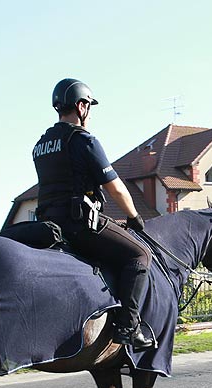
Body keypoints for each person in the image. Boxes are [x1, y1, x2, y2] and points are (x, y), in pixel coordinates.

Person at [33, 78, 154, 349]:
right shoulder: (83, 140)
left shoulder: (40, 145)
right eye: (88, 105)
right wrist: (134, 217)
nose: (89, 111)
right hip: (79, 224)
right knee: (139, 255)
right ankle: (128, 328)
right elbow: (116, 189)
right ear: (80, 106)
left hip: (48, 224)